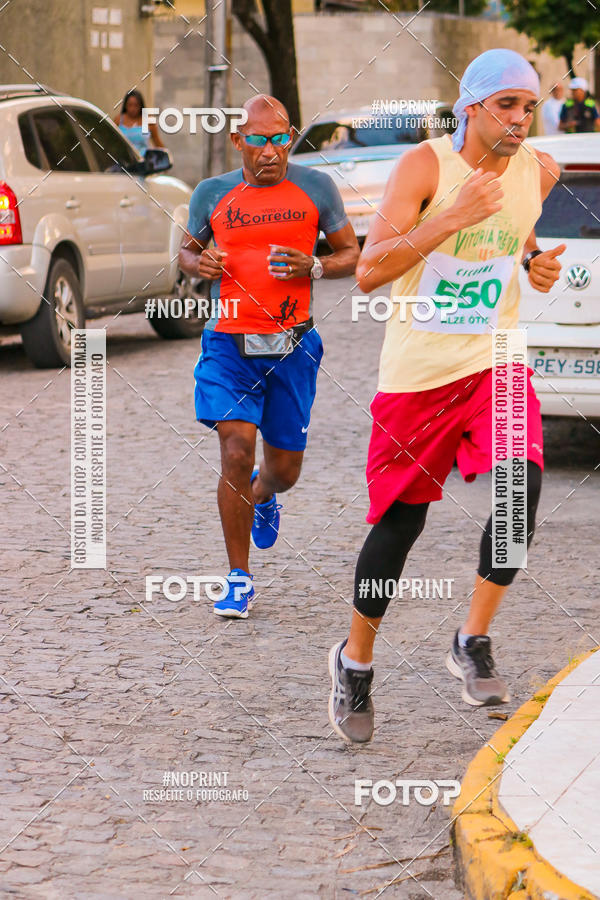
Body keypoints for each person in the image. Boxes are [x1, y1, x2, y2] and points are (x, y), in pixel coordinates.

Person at [328, 49, 566, 744]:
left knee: (521, 492)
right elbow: (369, 272)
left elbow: (517, 233)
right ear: (472, 107)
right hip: (419, 372)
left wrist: (534, 262)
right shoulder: (426, 167)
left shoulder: (540, 170)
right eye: (507, 106)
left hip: (495, 358)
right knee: (402, 524)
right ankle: (355, 661)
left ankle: (472, 639)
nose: (522, 120)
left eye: (530, 106)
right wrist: (452, 214)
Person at [178, 94, 359, 618]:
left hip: (293, 346)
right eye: (258, 140)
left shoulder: (316, 188)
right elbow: (187, 251)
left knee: (284, 469)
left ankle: (266, 495)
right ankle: (238, 578)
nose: (270, 151)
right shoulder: (212, 193)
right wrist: (199, 262)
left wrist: (317, 266)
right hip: (228, 343)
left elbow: (352, 254)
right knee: (236, 451)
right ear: (239, 140)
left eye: (280, 139)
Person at [114, 89, 165, 154]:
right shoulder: (118, 120)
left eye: (136, 105)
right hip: (123, 161)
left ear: (141, 105)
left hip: (144, 161)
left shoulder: (148, 119)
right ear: (125, 105)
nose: (133, 109)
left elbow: (158, 143)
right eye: (130, 105)